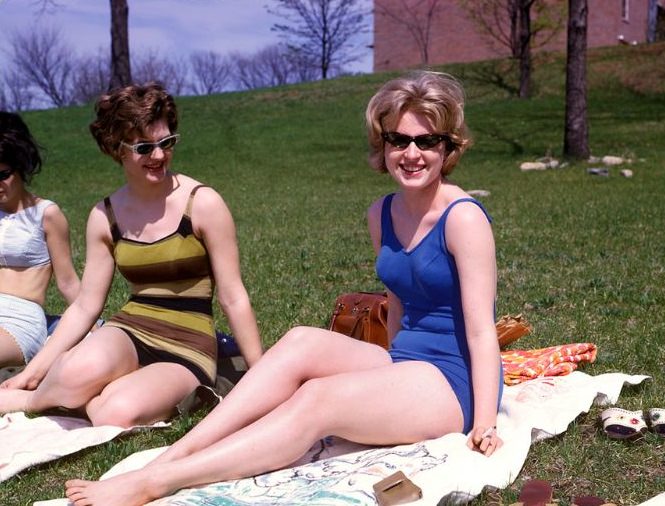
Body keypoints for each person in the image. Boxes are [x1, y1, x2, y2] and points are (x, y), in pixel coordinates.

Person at [63, 70, 503, 506]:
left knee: (318, 399)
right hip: (407, 361)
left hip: (453, 382)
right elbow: (397, 303)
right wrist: (386, 377)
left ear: (447, 147)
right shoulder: (382, 213)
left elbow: (482, 330)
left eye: (426, 141)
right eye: (398, 140)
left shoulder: (463, 218)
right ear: (382, 144)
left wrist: (484, 422)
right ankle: (176, 453)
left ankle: (160, 482)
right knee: (300, 341)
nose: (411, 153)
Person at [0, 83, 263, 428]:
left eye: (166, 143)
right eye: (144, 147)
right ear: (116, 149)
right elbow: (84, 305)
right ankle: (39, 396)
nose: (158, 155)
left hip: (187, 344)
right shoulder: (104, 216)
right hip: (131, 328)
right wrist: (32, 373)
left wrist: (261, 374)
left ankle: (44, 400)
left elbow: (233, 296)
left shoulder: (202, 203)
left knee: (114, 413)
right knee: (73, 373)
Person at [0, 111, 80, 369]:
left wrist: (92, 328)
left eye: (3, 175)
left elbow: (67, 283)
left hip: (20, 319)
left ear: (21, 166)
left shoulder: (47, 214)